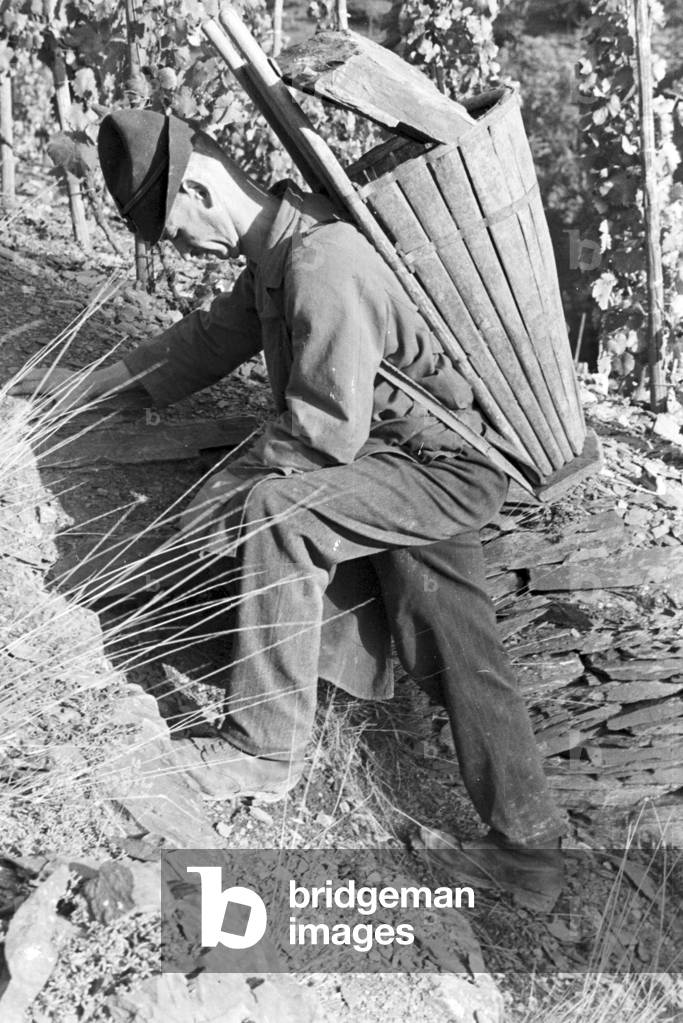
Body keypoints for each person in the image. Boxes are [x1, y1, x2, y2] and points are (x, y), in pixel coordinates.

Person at [15, 110, 566, 903]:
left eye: (172, 229)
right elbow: (200, 344)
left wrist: (219, 500)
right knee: (452, 637)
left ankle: (264, 747)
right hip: (406, 457)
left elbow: (321, 434)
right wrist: (80, 389)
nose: (178, 248)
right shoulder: (278, 254)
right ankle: (532, 851)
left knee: (278, 512)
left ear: (201, 187)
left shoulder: (321, 259)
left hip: (434, 465)